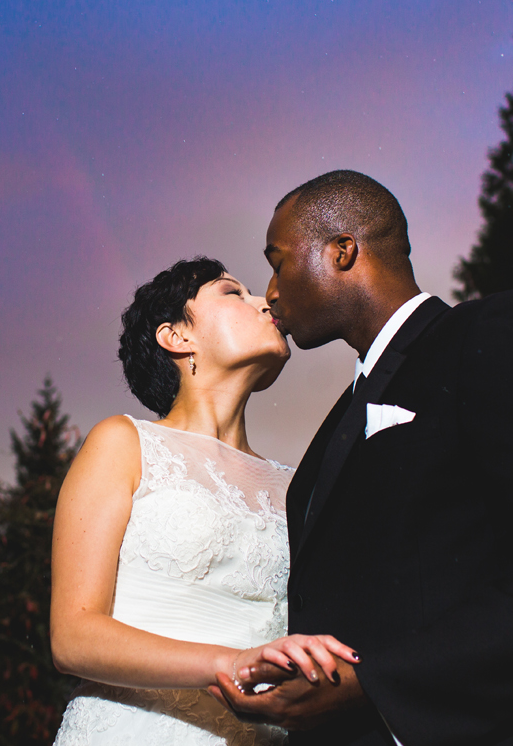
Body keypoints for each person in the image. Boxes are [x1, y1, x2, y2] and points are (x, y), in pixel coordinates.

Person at [211, 171, 513, 745]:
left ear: (343, 250)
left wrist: (371, 683)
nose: (270, 291)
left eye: (279, 261)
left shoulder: (493, 335)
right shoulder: (334, 429)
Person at [51, 257, 359, 745]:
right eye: (232, 293)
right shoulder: (124, 443)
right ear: (176, 337)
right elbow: (73, 636)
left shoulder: (299, 485)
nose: (265, 302)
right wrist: (227, 664)